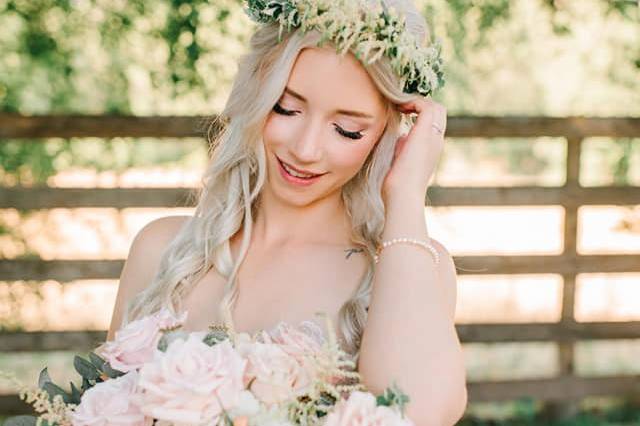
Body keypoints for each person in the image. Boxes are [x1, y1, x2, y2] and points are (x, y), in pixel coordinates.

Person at [106, 0, 467, 423]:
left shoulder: (411, 268)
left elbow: (421, 413)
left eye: (347, 129)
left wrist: (405, 194)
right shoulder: (162, 250)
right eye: (286, 108)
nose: (305, 149)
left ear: (386, 133)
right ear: (257, 93)